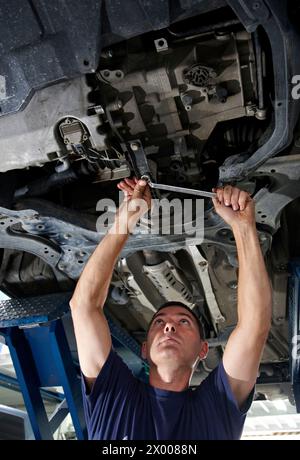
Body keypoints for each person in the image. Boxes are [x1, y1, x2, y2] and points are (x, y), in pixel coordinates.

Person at [70, 178, 272, 440]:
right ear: (144, 349)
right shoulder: (114, 396)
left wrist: (243, 228)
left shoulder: (216, 405)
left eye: (184, 322)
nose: (169, 325)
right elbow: (83, 306)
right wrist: (126, 218)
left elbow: (253, 328)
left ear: (203, 349)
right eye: (159, 322)